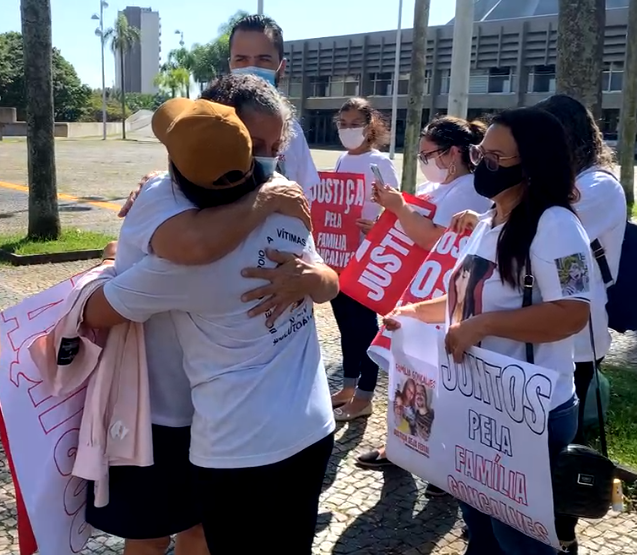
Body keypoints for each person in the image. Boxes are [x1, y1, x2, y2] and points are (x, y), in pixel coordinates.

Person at [82, 96, 338, 555]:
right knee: (159, 533)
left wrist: (106, 266)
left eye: (273, 146)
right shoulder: (263, 202)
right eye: (255, 144)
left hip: (232, 434)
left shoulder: (265, 205)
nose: (266, 156)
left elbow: (97, 311)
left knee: (195, 534)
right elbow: (196, 242)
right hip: (169, 411)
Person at [387, 107, 596, 554]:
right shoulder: (489, 220)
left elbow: (574, 312)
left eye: (497, 158)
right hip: (479, 401)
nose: (484, 164)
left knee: (518, 538)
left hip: (531, 409)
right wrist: (415, 312)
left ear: (533, 164)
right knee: (479, 523)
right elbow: (475, 294)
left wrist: (482, 326)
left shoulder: (557, 225)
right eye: (483, 153)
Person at [357, 115, 493, 498]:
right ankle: (403, 448)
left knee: (440, 383)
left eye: (428, 153)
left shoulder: (467, 190)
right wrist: (389, 223)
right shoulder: (441, 186)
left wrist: (398, 211)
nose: (423, 160)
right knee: (411, 377)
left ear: (453, 154)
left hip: (443, 300)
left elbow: (437, 239)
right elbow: (419, 232)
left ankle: (441, 466)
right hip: (421, 293)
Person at [535, 94, 627, 555]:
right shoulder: (570, 182)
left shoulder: (598, 186)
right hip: (543, 333)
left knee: (565, 448)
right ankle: (536, 519)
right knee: (537, 441)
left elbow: (544, 227)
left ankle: (562, 532)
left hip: (578, 335)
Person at [328, 97, 399, 421]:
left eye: (355, 124)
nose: (348, 130)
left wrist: (378, 227)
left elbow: (396, 209)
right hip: (339, 256)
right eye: (343, 124)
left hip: (366, 259)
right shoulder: (342, 159)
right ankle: (348, 386)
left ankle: (365, 396)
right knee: (344, 324)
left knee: (364, 328)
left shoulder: (379, 162)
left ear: (370, 125)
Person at [229, 14, 319, 195]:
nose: (252, 69)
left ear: (281, 67)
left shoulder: (293, 131)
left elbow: (305, 197)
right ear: (230, 65)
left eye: (263, 59)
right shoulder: (207, 124)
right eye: (242, 60)